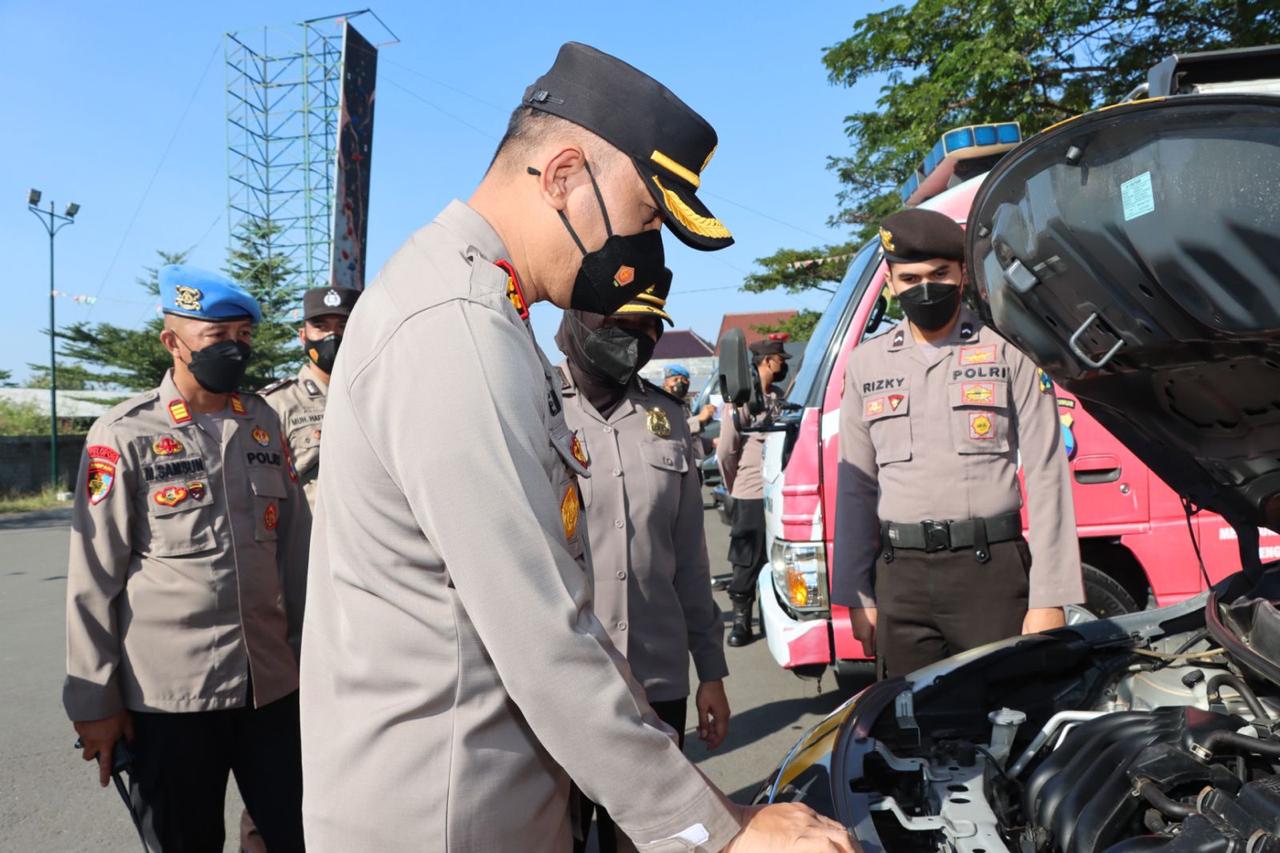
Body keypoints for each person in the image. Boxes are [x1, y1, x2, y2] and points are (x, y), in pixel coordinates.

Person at [298, 42, 852, 852]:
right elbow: (543, 636)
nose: (642, 253)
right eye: (646, 216)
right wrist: (719, 831)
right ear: (563, 176)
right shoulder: (454, 329)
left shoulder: (477, 307)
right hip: (444, 817)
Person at [63, 264, 310, 853]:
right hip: (171, 699)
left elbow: (295, 556)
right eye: (217, 337)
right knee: (184, 842)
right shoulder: (124, 433)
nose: (235, 348)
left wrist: (315, 665)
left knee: (301, 834)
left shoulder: (263, 422)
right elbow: (93, 576)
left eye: (244, 337)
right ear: (173, 342)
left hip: (271, 690)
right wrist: (95, 703)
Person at [830, 208, 1084, 679]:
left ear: (962, 275)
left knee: (1006, 724)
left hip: (989, 573)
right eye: (910, 277)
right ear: (890, 284)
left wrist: (1051, 597)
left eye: (939, 273)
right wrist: (856, 593)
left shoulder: (1011, 351)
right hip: (900, 579)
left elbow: (1048, 475)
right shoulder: (866, 365)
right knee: (906, 732)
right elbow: (855, 487)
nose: (925, 287)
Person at [556, 278, 731, 852]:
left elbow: (690, 559)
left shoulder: (667, 417)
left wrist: (711, 671)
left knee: (653, 843)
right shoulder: (533, 408)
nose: (637, 338)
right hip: (563, 683)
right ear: (582, 321)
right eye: (620, 324)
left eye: (648, 325)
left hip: (656, 679)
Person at [717, 337, 791, 646]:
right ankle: (741, 622)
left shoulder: (778, 396)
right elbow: (725, 451)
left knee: (779, 559)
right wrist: (737, 486)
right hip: (750, 491)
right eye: (779, 359)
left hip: (778, 489)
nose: (783, 363)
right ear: (767, 361)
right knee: (746, 559)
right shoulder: (741, 399)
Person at [262, 286, 361, 507]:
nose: (332, 336)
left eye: (343, 326)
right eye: (320, 327)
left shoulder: (374, 396)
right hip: (310, 536)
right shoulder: (277, 403)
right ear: (303, 336)